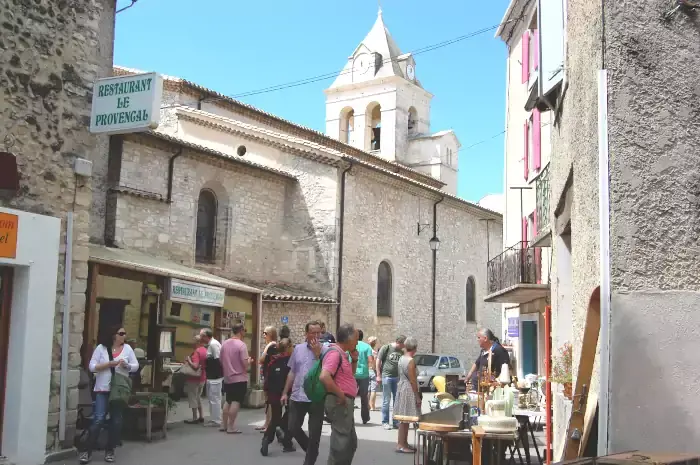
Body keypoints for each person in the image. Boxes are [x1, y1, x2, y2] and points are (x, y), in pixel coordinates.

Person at [80, 325, 138, 464]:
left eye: (124, 333)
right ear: (114, 335)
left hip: (118, 390)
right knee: (99, 419)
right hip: (102, 389)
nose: (124, 336)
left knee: (116, 420)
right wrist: (108, 364)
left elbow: (135, 365)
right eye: (121, 333)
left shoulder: (128, 349)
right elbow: (92, 366)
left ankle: (110, 450)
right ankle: (87, 451)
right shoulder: (101, 348)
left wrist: (127, 366)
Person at [280, 320, 326, 465]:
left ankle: (309, 460)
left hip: (316, 397)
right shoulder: (298, 349)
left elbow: (326, 372)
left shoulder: (326, 350)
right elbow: (292, 372)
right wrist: (284, 392)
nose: (317, 336)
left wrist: (318, 355)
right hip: (297, 395)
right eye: (313, 333)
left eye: (319, 333)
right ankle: (310, 448)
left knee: (315, 432)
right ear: (306, 334)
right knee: (292, 426)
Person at [320, 323, 359, 465]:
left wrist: (354, 359)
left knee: (350, 443)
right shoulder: (335, 353)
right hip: (340, 402)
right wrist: (340, 394)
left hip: (345, 403)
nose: (357, 341)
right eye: (356, 338)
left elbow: (349, 376)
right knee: (341, 445)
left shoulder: (343, 354)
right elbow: (324, 376)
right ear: (348, 339)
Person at [261, 338, 296, 456]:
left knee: (275, 418)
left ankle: (266, 440)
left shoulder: (273, 362)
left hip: (274, 394)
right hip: (288, 394)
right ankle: (286, 440)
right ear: (288, 347)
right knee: (291, 415)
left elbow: (267, 380)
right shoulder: (291, 362)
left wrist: (267, 393)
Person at [220, 323, 253, 434]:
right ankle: (231, 426)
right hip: (239, 377)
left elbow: (221, 360)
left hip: (227, 377)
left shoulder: (224, 344)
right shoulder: (241, 345)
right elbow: (245, 364)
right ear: (241, 331)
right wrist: (249, 361)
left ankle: (223, 425)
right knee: (236, 401)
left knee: (228, 401)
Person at [393, 337, 421, 454]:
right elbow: (413, 380)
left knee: (404, 419)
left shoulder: (401, 358)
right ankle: (401, 444)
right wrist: (417, 396)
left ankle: (403, 443)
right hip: (408, 389)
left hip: (401, 387)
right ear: (414, 348)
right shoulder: (410, 360)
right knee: (406, 419)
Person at [376, 335, 406, 430]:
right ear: (399, 342)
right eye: (403, 345)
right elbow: (378, 361)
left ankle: (395, 422)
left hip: (397, 378)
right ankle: (385, 422)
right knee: (386, 400)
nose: (403, 347)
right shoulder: (386, 348)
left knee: (396, 401)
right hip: (387, 376)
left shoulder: (401, 351)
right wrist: (378, 375)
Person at [200, 328, 223, 427]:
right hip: (212, 376)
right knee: (212, 398)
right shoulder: (211, 344)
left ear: (206, 336)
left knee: (215, 398)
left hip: (215, 377)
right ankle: (214, 418)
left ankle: (216, 420)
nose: (200, 338)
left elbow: (218, 360)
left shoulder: (213, 344)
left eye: (201, 336)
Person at [257, 326, 278, 432]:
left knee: (269, 401)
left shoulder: (271, 346)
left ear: (271, 334)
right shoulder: (272, 346)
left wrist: (265, 349)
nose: (264, 335)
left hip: (270, 376)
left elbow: (261, 360)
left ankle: (269, 424)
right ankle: (266, 423)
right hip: (267, 375)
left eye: (266, 333)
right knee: (267, 401)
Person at [183, 335, 207, 424]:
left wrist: (189, 360)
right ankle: (201, 416)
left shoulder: (197, 352)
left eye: (193, 341)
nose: (192, 343)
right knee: (198, 397)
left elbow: (195, 366)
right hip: (202, 377)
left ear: (198, 342)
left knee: (193, 397)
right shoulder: (205, 350)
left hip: (194, 378)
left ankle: (194, 417)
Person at [354, 329, 372, 424]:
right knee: (364, 397)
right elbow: (370, 360)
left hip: (352, 374)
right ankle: (365, 418)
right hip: (364, 374)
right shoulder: (367, 347)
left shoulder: (352, 345)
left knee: (350, 396)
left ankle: (349, 418)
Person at [367, 336, 379, 411]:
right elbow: (375, 363)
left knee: (368, 389)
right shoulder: (375, 353)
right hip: (372, 371)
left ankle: (367, 405)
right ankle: (372, 406)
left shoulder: (366, 351)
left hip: (367, 370)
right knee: (373, 389)